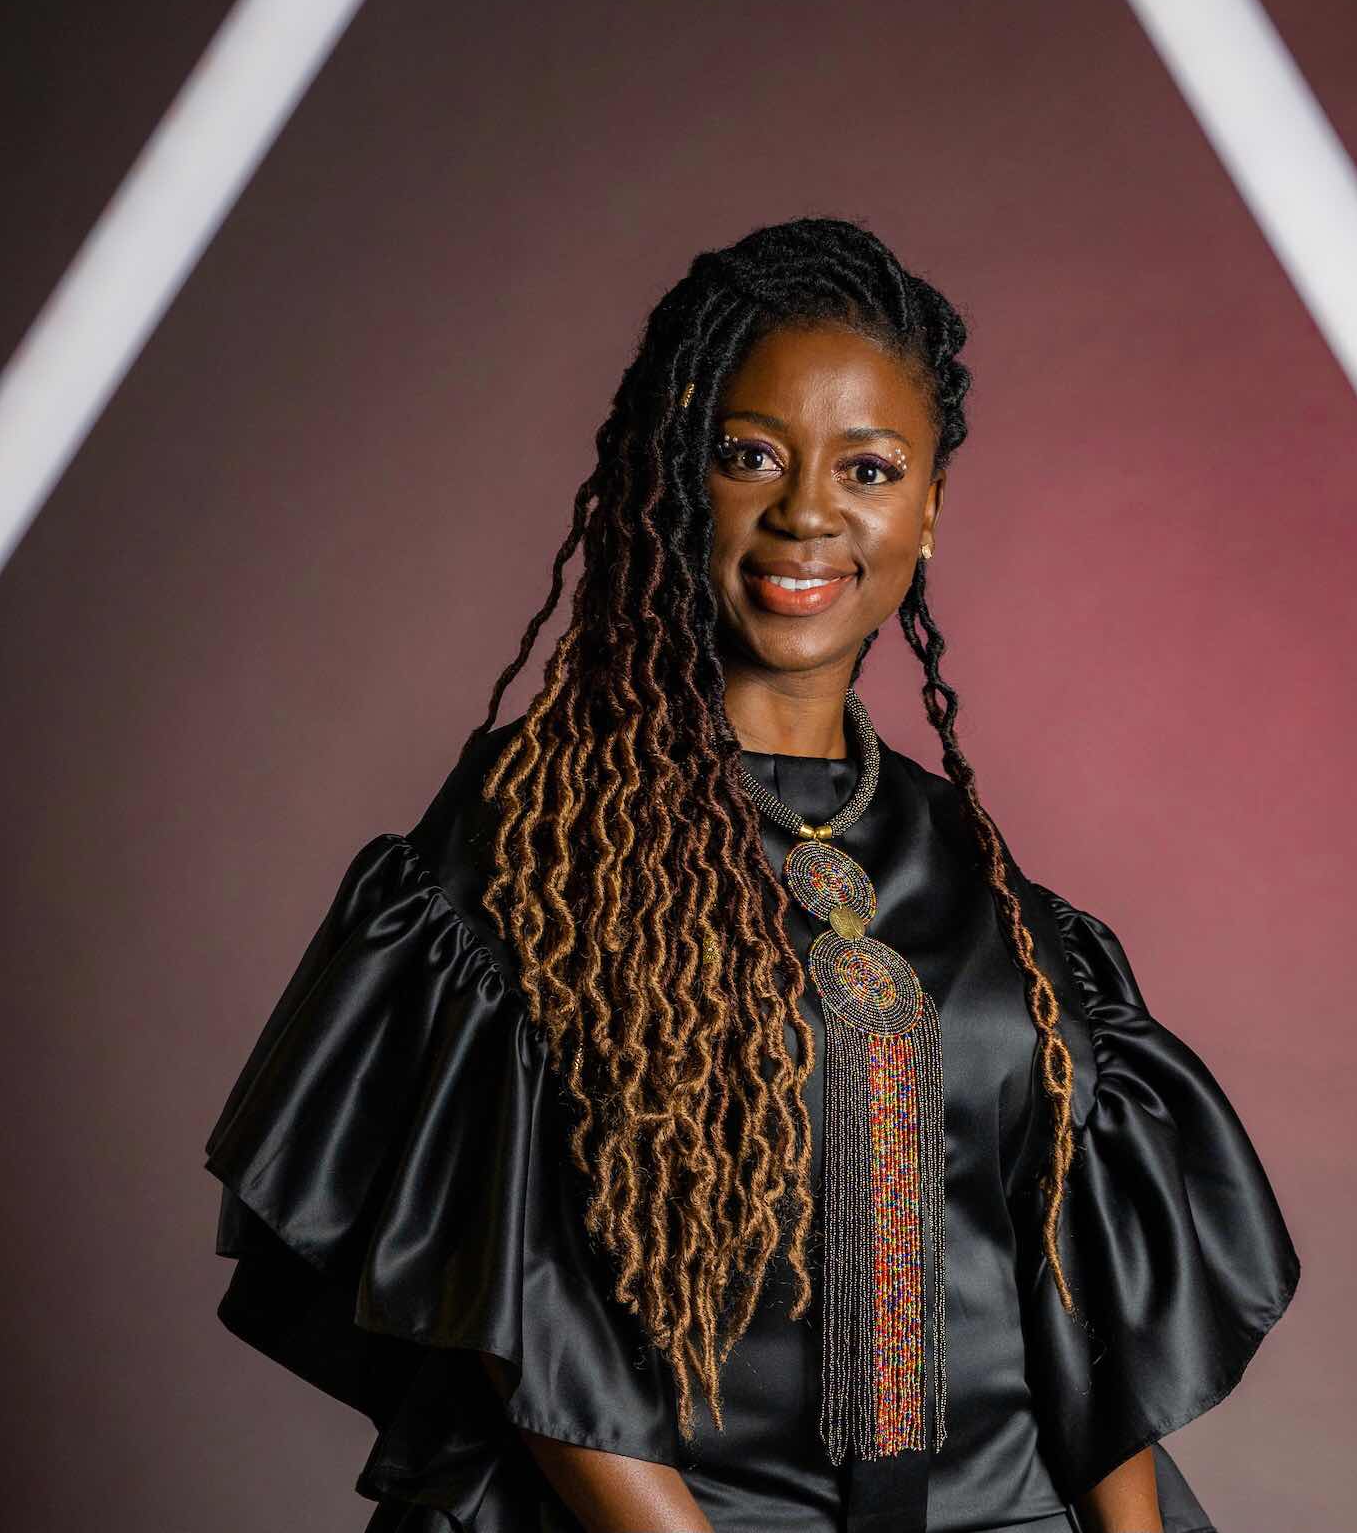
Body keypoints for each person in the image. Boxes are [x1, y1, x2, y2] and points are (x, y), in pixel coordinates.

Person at [203, 217, 1300, 1533]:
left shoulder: (974, 867)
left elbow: (1072, 1288)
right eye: (750, 456)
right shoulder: (536, 837)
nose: (808, 513)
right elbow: (524, 1312)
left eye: (870, 468)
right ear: (680, 478)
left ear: (929, 509)